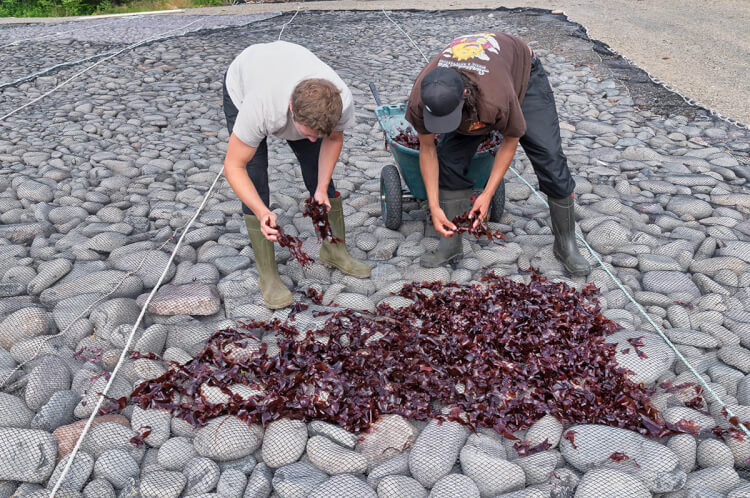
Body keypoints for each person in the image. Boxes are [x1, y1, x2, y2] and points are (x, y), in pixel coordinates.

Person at [405, 32, 591, 276]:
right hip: (480, 77)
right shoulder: (421, 97)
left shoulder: (495, 98)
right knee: (448, 158)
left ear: (464, 96)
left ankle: (565, 244)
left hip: (522, 72)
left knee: (550, 158)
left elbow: (511, 140)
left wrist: (487, 193)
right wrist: (433, 205)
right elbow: (428, 149)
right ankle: (451, 244)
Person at [222, 40, 371, 310]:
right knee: (256, 177)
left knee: (318, 171)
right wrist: (261, 211)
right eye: (308, 133)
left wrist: (322, 188)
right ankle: (268, 275)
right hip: (246, 80)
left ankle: (333, 248)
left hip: (290, 75)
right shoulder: (261, 106)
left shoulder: (340, 101)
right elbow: (234, 166)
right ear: (292, 110)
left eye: (318, 134)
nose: (314, 140)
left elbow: (333, 139)